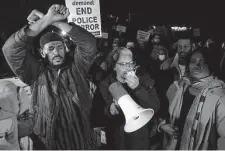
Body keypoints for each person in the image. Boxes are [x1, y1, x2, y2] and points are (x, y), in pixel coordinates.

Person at [2, 4, 97, 150]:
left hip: (81, 142)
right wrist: (45, 19)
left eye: (60, 47)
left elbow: (88, 43)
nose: (56, 52)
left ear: (65, 49)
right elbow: (10, 49)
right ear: (42, 53)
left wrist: (54, 21)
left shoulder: (77, 69)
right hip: (48, 143)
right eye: (51, 48)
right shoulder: (35, 73)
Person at [158, 48, 225, 150]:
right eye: (193, 62)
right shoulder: (179, 86)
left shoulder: (219, 97)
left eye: (202, 62)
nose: (197, 66)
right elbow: (163, 112)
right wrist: (163, 126)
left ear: (211, 64)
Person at [99, 47, 160, 149]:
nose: (128, 67)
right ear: (114, 66)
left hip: (139, 140)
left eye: (130, 63)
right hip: (116, 140)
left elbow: (155, 106)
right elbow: (97, 114)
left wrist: (138, 88)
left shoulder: (145, 81)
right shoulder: (104, 85)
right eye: (123, 64)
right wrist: (109, 110)